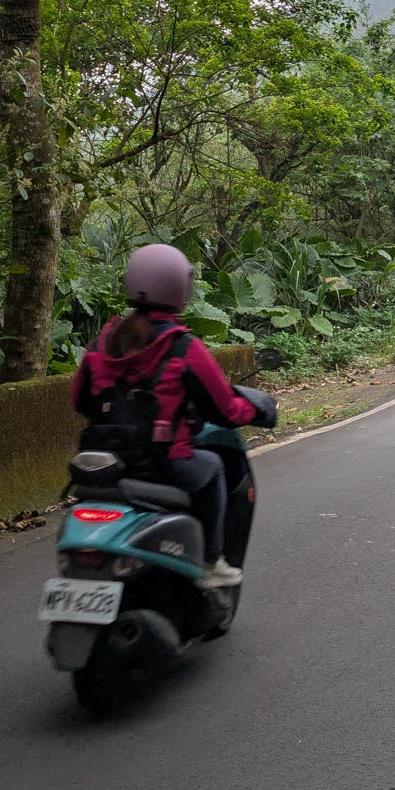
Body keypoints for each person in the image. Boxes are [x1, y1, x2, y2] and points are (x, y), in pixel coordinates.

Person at [70, 243, 262, 589]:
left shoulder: (103, 341)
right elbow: (226, 409)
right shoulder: (181, 346)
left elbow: (80, 399)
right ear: (180, 288)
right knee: (213, 469)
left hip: (104, 463)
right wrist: (258, 409)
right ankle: (210, 562)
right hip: (160, 464)